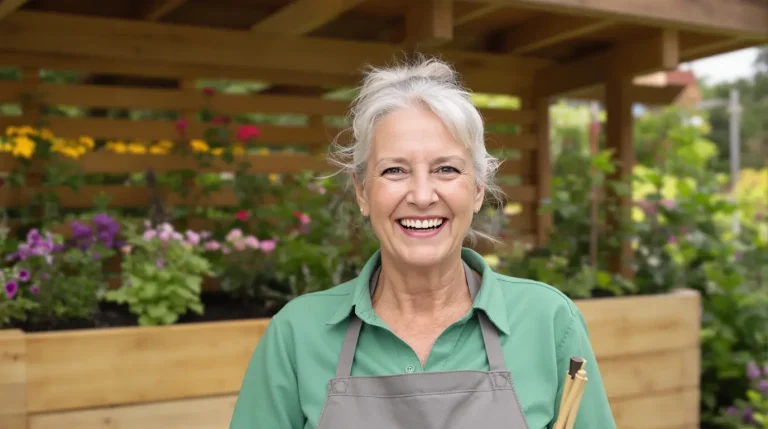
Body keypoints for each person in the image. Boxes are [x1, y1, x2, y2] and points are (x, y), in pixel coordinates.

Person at [229, 56, 616, 429]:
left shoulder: (547, 322)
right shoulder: (297, 334)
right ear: (362, 192)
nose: (422, 194)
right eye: (394, 170)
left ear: (478, 190)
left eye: (446, 169)